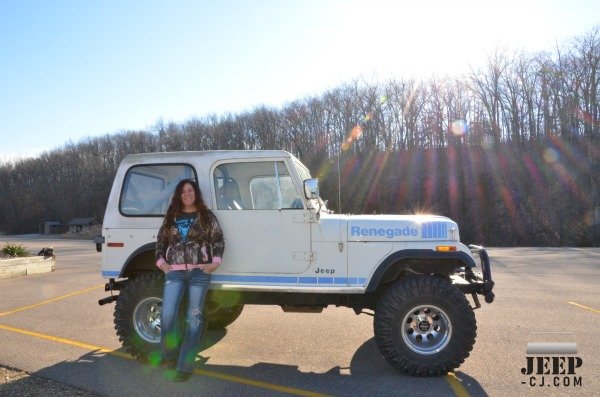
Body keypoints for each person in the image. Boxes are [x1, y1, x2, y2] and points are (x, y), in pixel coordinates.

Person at [155, 179, 225, 382]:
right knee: (167, 316)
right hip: (174, 273)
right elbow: (160, 241)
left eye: (190, 190)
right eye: (183, 191)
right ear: (179, 194)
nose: (187, 194)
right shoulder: (172, 215)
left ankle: (185, 365)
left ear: (196, 193)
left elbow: (218, 238)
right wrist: (162, 263)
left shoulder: (205, 214)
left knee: (193, 319)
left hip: (199, 273)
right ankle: (170, 355)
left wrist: (215, 263)